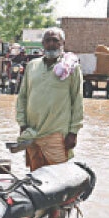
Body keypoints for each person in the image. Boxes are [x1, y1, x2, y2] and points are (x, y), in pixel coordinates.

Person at [14, 27, 83, 170]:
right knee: (35, 179)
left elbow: (77, 100)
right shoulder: (32, 66)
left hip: (57, 135)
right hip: (32, 132)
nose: (51, 44)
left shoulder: (71, 68)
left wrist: (73, 132)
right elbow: (23, 97)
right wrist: (22, 124)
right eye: (48, 40)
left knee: (59, 178)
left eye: (55, 40)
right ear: (43, 44)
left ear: (62, 43)